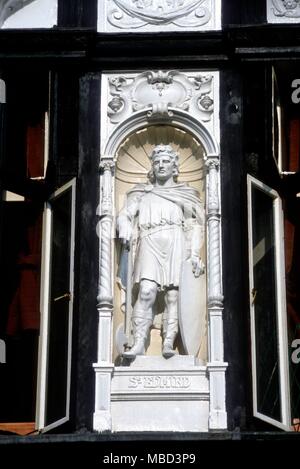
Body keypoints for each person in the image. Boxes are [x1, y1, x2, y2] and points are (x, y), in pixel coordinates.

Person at [117, 144, 205, 359]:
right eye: (157, 162)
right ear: (152, 167)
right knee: (146, 292)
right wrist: (125, 225)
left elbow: (194, 225)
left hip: (176, 243)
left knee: (174, 296)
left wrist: (194, 254)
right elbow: (124, 216)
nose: (161, 165)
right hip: (149, 242)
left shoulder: (185, 194)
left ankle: (169, 341)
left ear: (175, 167)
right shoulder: (141, 193)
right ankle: (138, 342)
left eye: (166, 161)